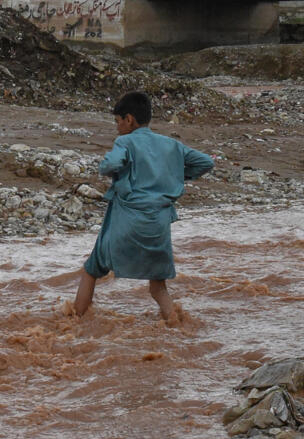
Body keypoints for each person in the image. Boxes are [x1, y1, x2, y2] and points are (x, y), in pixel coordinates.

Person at [73, 91, 214, 321]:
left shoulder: (125, 141)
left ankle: (74, 323)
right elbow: (206, 162)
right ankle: (175, 326)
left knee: (91, 271)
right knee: (158, 287)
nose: (117, 127)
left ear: (129, 119)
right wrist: (175, 174)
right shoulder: (171, 144)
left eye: (118, 122)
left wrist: (111, 169)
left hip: (126, 220)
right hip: (158, 224)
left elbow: (111, 163)